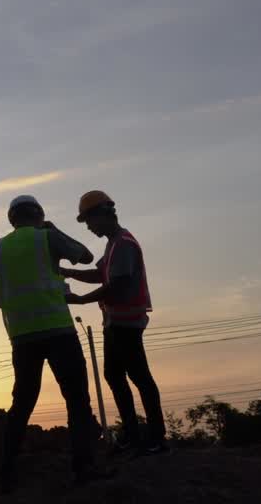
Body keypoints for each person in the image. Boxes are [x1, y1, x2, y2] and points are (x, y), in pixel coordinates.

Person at [0, 194, 109, 492]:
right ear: (39, 215)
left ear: (11, 219)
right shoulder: (47, 238)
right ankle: (83, 468)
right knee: (77, 400)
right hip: (58, 332)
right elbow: (86, 256)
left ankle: (6, 473)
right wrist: (54, 231)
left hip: (22, 338)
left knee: (22, 404)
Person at [62, 190, 168, 455]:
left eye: (89, 220)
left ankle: (155, 437)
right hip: (116, 322)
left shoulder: (123, 244)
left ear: (102, 215)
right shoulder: (114, 244)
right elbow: (100, 273)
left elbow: (116, 285)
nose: (88, 226)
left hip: (126, 323)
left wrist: (81, 300)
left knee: (139, 377)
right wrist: (68, 272)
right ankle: (133, 434)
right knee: (116, 375)